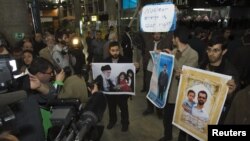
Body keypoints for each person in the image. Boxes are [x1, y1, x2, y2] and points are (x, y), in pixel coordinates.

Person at [158, 26, 198, 141]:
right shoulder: (174, 51)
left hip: (183, 95)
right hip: (170, 93)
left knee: (183, 122)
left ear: (177, 38)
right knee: (167, 119)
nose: (171, 40)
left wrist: (171, 58)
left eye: (173, 38)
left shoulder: (193, 54)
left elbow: (182, 73)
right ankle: (167, 136)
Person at [95, 41, 131, 132]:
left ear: (120, 50)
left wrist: (136, 67)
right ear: (109, 51)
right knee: (111, 107)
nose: (115, 52)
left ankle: (125, 123)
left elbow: (131, 73)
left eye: (117, 50)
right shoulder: (105, 61)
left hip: (122, 92)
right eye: (113, 50)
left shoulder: (126, 60)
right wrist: (93, 67)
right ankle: (112, 121)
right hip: (110, 92)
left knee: (124, 107)